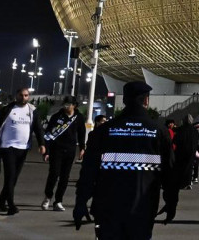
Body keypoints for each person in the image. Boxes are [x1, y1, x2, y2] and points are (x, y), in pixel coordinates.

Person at [73, 81, 178, 239]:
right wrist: (171, 202)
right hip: (142, 207)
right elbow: (170, 173)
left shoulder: (104, 131)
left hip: (108, 208)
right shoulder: (159, 132)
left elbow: (88, 171)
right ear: (146, 101)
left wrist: (81, 202)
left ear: (124, 100)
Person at [0, 87, 46, 215]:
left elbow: (38, 128)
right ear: (16, 96)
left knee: (13, 179)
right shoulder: (7, 110)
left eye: (26, 95)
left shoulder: (32, 110)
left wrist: (42, 144)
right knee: (10, 176)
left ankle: (1, 202)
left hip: (23, 148)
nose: (23, 98)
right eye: (21, 95)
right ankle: (11, 205)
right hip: (8, 147)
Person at [41, 95, 87, 211]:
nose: (66, 106)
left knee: (65, 177)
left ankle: (58, 201)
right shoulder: (57, 116)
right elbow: (48, 133)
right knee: (54, 173)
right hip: (56, 149)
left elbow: (82, 133)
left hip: (70, 150)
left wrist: (82, 147)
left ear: (74, 105)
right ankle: (47, 197)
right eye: (65, 104)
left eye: (69, 104)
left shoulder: (79, 117)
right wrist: (46, 150)